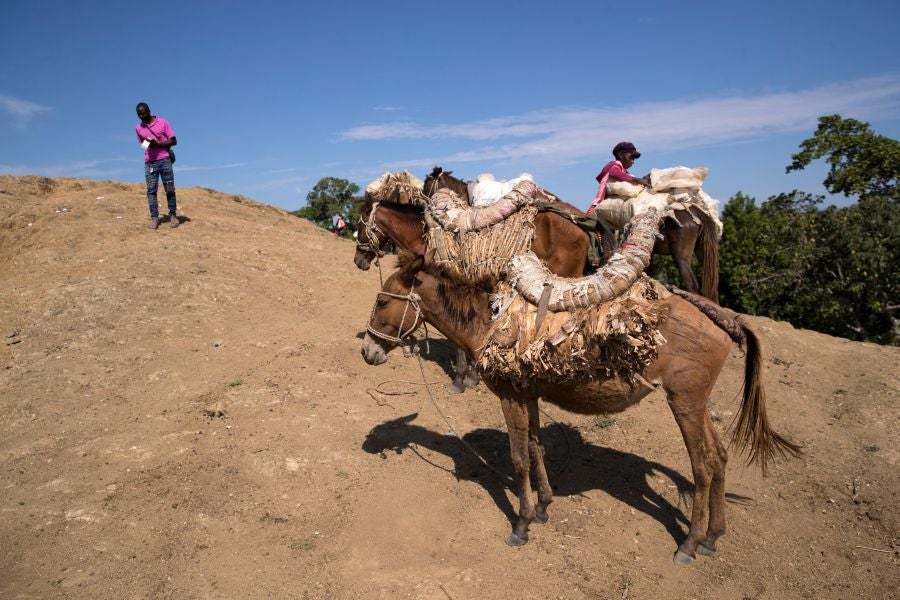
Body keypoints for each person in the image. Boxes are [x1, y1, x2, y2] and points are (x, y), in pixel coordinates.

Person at [135, 102, 179, 229]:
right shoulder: (138, 128)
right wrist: (149, 143)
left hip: (165, 160)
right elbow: (143, 146)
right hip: (150, 162)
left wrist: (158, 145)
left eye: (143, 113)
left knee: (169, 188)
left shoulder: (163, 122)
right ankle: (154, 218)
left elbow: (174, 140)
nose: (141, 116)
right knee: (151, 191)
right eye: (139, 115)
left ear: (149, 110)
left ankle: (173, 215)